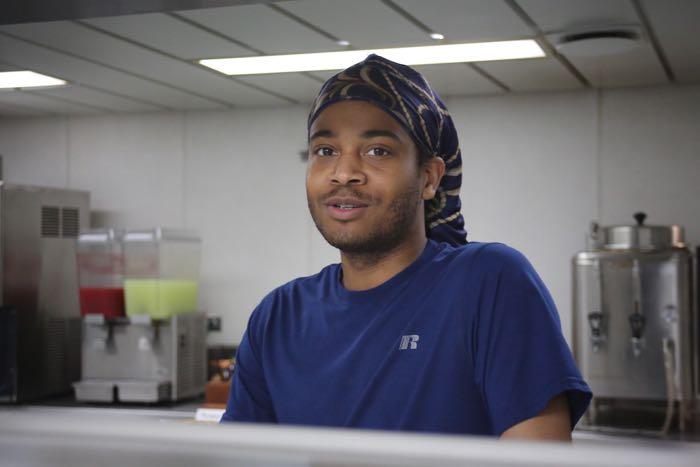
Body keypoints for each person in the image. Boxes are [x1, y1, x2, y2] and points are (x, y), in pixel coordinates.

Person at [221, 54, 591, 440]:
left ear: (429, 178)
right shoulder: (278, 317)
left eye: (377, 150)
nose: (343, 173)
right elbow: (235, 457)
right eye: (325, 151)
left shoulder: (488, 283)